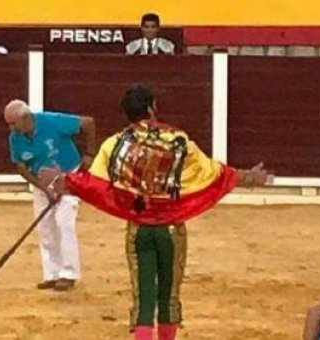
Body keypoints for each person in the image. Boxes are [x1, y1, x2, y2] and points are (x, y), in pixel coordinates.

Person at [41, 84, 273, 340]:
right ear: (152, 108)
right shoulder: (177, 140)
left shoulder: (115, 144)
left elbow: (96, 186)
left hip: (138, 230)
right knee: (169, 296)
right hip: (171, 231)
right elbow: (213, 174)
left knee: (143, 298)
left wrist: (65, 182)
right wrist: (248, 177)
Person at [3, 99, 96, 291]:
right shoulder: (15, 137)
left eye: (13, 123)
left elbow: (88, 122)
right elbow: (21, 167)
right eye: (9, 124)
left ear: (26, 118)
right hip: (43, 182)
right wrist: (45, 189)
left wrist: (90, 154)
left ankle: (69, 273)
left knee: (64, 221)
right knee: (46, 228)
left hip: (70, 176)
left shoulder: (52, 121)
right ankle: (52, 273)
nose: (11, 128)